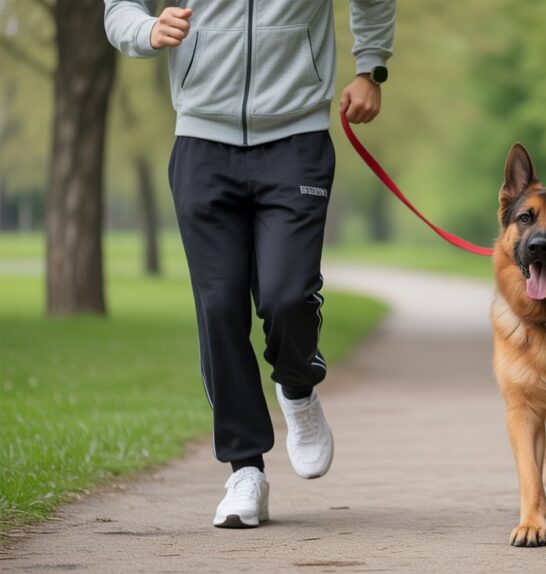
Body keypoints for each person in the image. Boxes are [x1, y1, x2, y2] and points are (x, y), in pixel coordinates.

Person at [103, 0, 395, 528]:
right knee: (219, 308)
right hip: (201, 140)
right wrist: (147, 29)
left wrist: (370, 67)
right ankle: (245, 470)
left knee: (287, 297)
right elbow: (118, 7)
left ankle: (297, 384)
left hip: (296, 137)